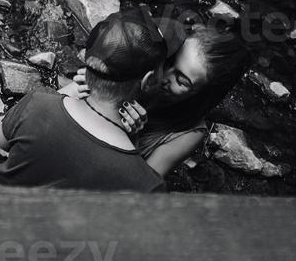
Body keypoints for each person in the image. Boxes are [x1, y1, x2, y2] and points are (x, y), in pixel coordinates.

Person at [0, 10, 167, 192]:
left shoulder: (38, 105)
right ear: (147, 80)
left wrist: (65, 95)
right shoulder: (147, 184)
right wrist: (132, 138)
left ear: (88, 63)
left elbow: (3, 144)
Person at [68, 18, 252, 178]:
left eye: (181, 80)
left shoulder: (190, 134)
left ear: (200, 94)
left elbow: (138, 190)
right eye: (170, 62)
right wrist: (95, 83)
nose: (164, 77)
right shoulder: (147, 65)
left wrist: (130, 138)